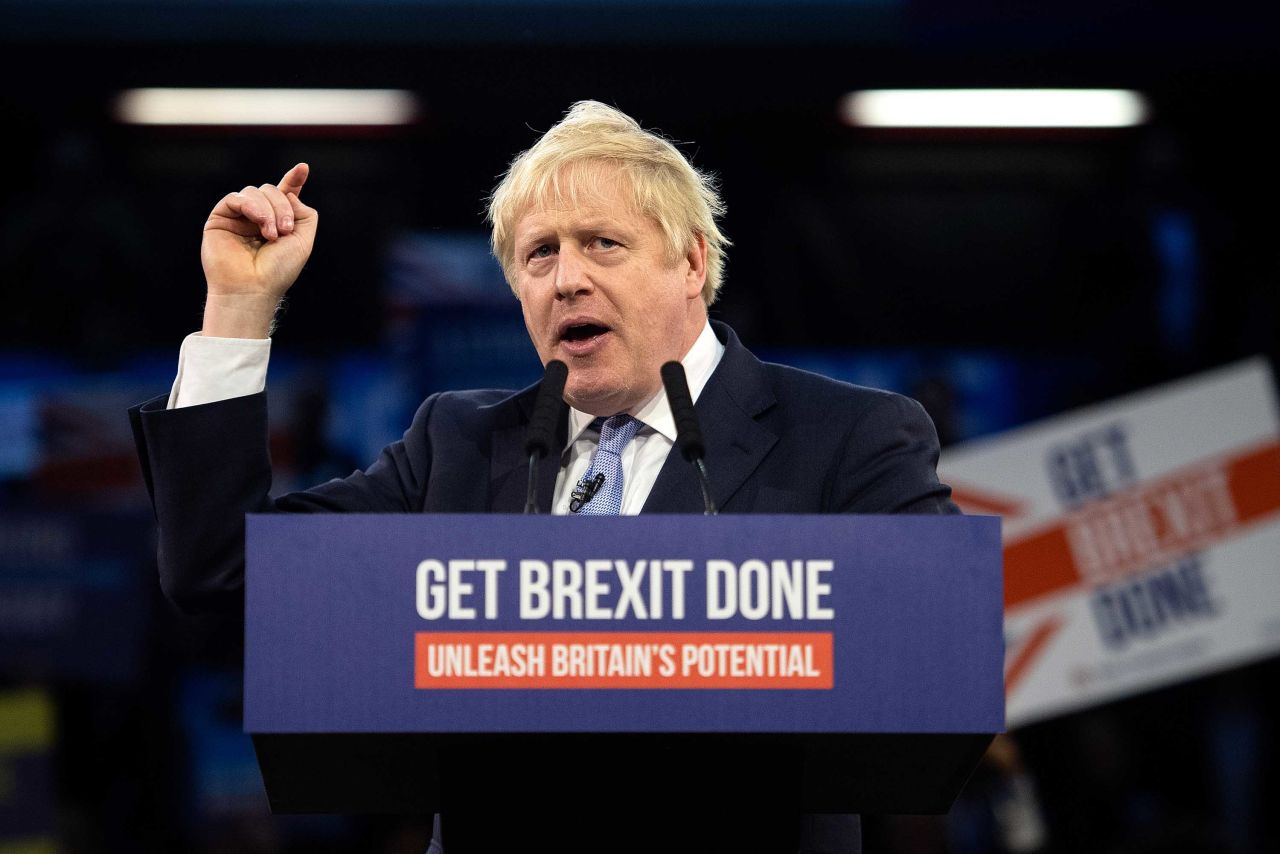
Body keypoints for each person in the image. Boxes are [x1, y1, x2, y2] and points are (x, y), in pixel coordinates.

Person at [131, 101, 956, 853]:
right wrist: (236, 311)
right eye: (539, 255)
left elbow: (934, 656)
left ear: (693, 262)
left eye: (603, 242)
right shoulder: (457, 444)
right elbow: (224, 571)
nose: (567, 278)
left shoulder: (850, 436)